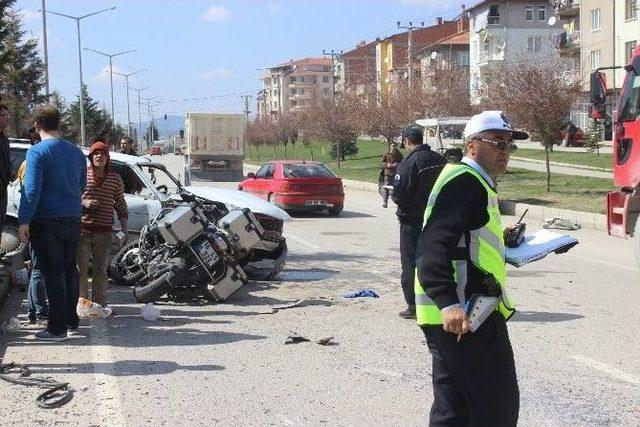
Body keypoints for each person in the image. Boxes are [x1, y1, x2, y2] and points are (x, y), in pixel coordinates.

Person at [415, 111, 527, 426]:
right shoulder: (466, 182)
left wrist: (505, 243)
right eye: (497, 143)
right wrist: (447, 301)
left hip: (460, 315)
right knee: (495, 408)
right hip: (466, 315)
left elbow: (467, 240)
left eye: (508, 145)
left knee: (454, 409)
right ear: (472, 145)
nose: (505, 152)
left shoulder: (474, 181)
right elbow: (432, 245)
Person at [18, 105, 87, 342]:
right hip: (73, 218)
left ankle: (56, 328)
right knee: (70, 270)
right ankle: (71, 320)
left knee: (53, 274)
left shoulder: (37, 152)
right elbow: (82, 186)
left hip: (46, 220)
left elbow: (31, 189)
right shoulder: (75, 151)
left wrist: (24, 219)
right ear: (59, 123)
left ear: (37, 125)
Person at [391, 125, 446, 319]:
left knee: (411, 264)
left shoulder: (409, 163)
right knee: (438, 260)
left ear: (406, 141)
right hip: (438, 220)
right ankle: (442, 300)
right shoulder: (440, 160)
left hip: (412, 222)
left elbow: (399, 194)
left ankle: (414, 305)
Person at [77, 141, 128, 308]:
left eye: (102, 153)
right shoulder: (81, 174)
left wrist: (124, 229)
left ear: (107, 157)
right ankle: (82, 304)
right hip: (82, 230)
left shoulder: (115, 178)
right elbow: (70, 197)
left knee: (100, 270)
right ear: (91, 157)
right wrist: (83, 202)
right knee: (81, 270)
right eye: (95, 154)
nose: (99, 156)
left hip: (104, 232)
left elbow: (120, 203)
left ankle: (99, 305)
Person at [18, 127, 49, 326]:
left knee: (36, 269)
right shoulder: (33, 163)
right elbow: (30, 193)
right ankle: (39, 312)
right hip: (38, 220)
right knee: (38, 269)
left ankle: (32, 310)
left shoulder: (26, 163)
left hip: (33, 220)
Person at [0, 104, 12, 245]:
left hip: (3, 191)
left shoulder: (5, 139)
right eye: (4, 115)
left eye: (8, 115)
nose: (7, 118)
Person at [379, 142, 403, 208]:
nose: (393, 147)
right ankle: (385, 202)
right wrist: (387, 165)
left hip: (396, 174)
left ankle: (396, 201)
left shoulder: (399, 154)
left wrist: (397, 164)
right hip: (387, 173)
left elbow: (403, 163)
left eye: (394, 146)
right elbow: (381, 163)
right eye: (392, 146)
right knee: (386, 187)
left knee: (394, 189)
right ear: (390, 147)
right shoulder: (386, 154)